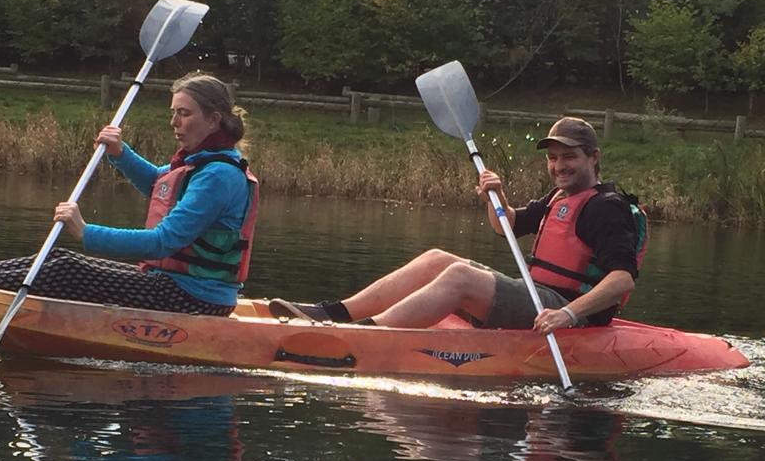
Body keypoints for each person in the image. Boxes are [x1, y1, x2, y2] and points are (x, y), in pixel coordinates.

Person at [269, 117, 645, 333]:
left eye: (569, 158)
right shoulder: (559, 197)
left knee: (461, 277)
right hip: (537, 296)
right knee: (437, 259)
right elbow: (507, 227)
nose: (559, 165)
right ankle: (335, 313)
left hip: (565, 313)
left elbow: (622, 279)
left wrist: (568, 313)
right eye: (553, 158)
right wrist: (494, 199)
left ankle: (370, 335)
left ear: (594, 158)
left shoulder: (606, 208)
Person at [0, 73, 259, 316]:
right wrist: (120, 153)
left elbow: (162, 242)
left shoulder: (218, 175)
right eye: (174, 112)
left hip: (194, 299)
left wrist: (86, 232)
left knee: (67, 271)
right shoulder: (202, 163)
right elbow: (159, 184)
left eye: (184, 113)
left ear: (213, 120)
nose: (174, 122)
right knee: (58, 259)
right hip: (172, 285)